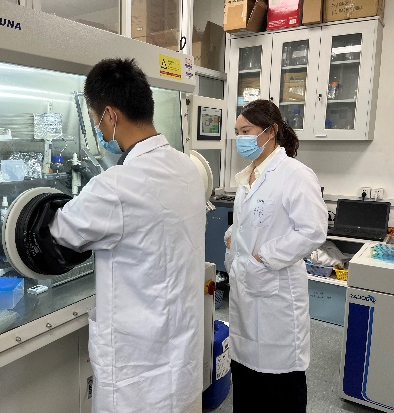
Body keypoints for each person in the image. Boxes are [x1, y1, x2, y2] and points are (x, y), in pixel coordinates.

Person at [49, 58, 206, 413]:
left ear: (110, 115)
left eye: (96, 121)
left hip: (137, 375)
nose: (99, 129)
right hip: (180, 361)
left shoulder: (115, 187)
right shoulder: (186, 168)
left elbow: (60, 230)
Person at [224, 99, 328, 412]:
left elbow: (312, 231)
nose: (240, 138)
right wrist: (234, 234)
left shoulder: (294, 174)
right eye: (237, 132)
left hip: (276, 296)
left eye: (246, 131)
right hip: (246, 293)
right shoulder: (248, 176)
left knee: (278, 387)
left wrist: (264, 257)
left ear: (271, 131)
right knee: (246, 379)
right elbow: (255, 222)